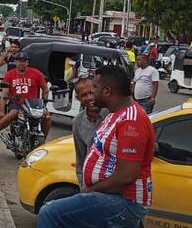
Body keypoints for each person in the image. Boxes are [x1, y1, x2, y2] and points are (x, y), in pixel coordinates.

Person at [38, 65, 154, 228]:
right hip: (108, 196)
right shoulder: (114, 113)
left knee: (50, 212)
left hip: (123, 201)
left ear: (107, 91)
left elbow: (126, 176)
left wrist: (89, 191)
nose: (91, 93)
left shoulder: (131, 121)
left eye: (94, 87)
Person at [0, 52, 50, 142]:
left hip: (33, 104)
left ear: (27, 62)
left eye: (24, 61)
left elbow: (45, 89)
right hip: (16, 103)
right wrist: (2, 111)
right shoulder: (9, 74)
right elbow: (5, 93)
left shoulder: (36, 73)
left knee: (47, 116)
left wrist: (44, 102)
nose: (21, 63)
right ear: (15, 62)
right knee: (13, 113)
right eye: (19, 61)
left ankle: (43, 139)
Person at [71, 76, 108, 183]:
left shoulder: (112, 114)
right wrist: (83, 186)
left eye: (92, 93)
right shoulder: (78, 122)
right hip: (93, 182)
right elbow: (80, 159)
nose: (89, 98)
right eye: (84, 95)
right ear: (78, 99)